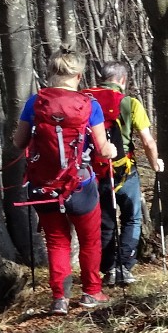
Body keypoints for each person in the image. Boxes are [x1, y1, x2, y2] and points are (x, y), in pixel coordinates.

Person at [12, 50, 118, 314]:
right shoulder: (89, 105)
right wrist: (112, 150)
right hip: (80, 184)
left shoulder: (35, 103)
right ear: (79, 75)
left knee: (57, 240)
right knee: (89, 240)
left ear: (51, 73)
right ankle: (91, 292)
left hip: (43, 185)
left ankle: (60, 298)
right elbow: (103, 149)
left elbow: (18, 143)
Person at [84, 61, 164, 286]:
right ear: (122, 80)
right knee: (132, 217)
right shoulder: (130, 103)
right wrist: (155, 163)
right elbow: (147, 141)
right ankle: (124, 267)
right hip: (124, 169)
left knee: (106, 220)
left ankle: (108, 269)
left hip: (91, 171)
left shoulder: (83, 100)